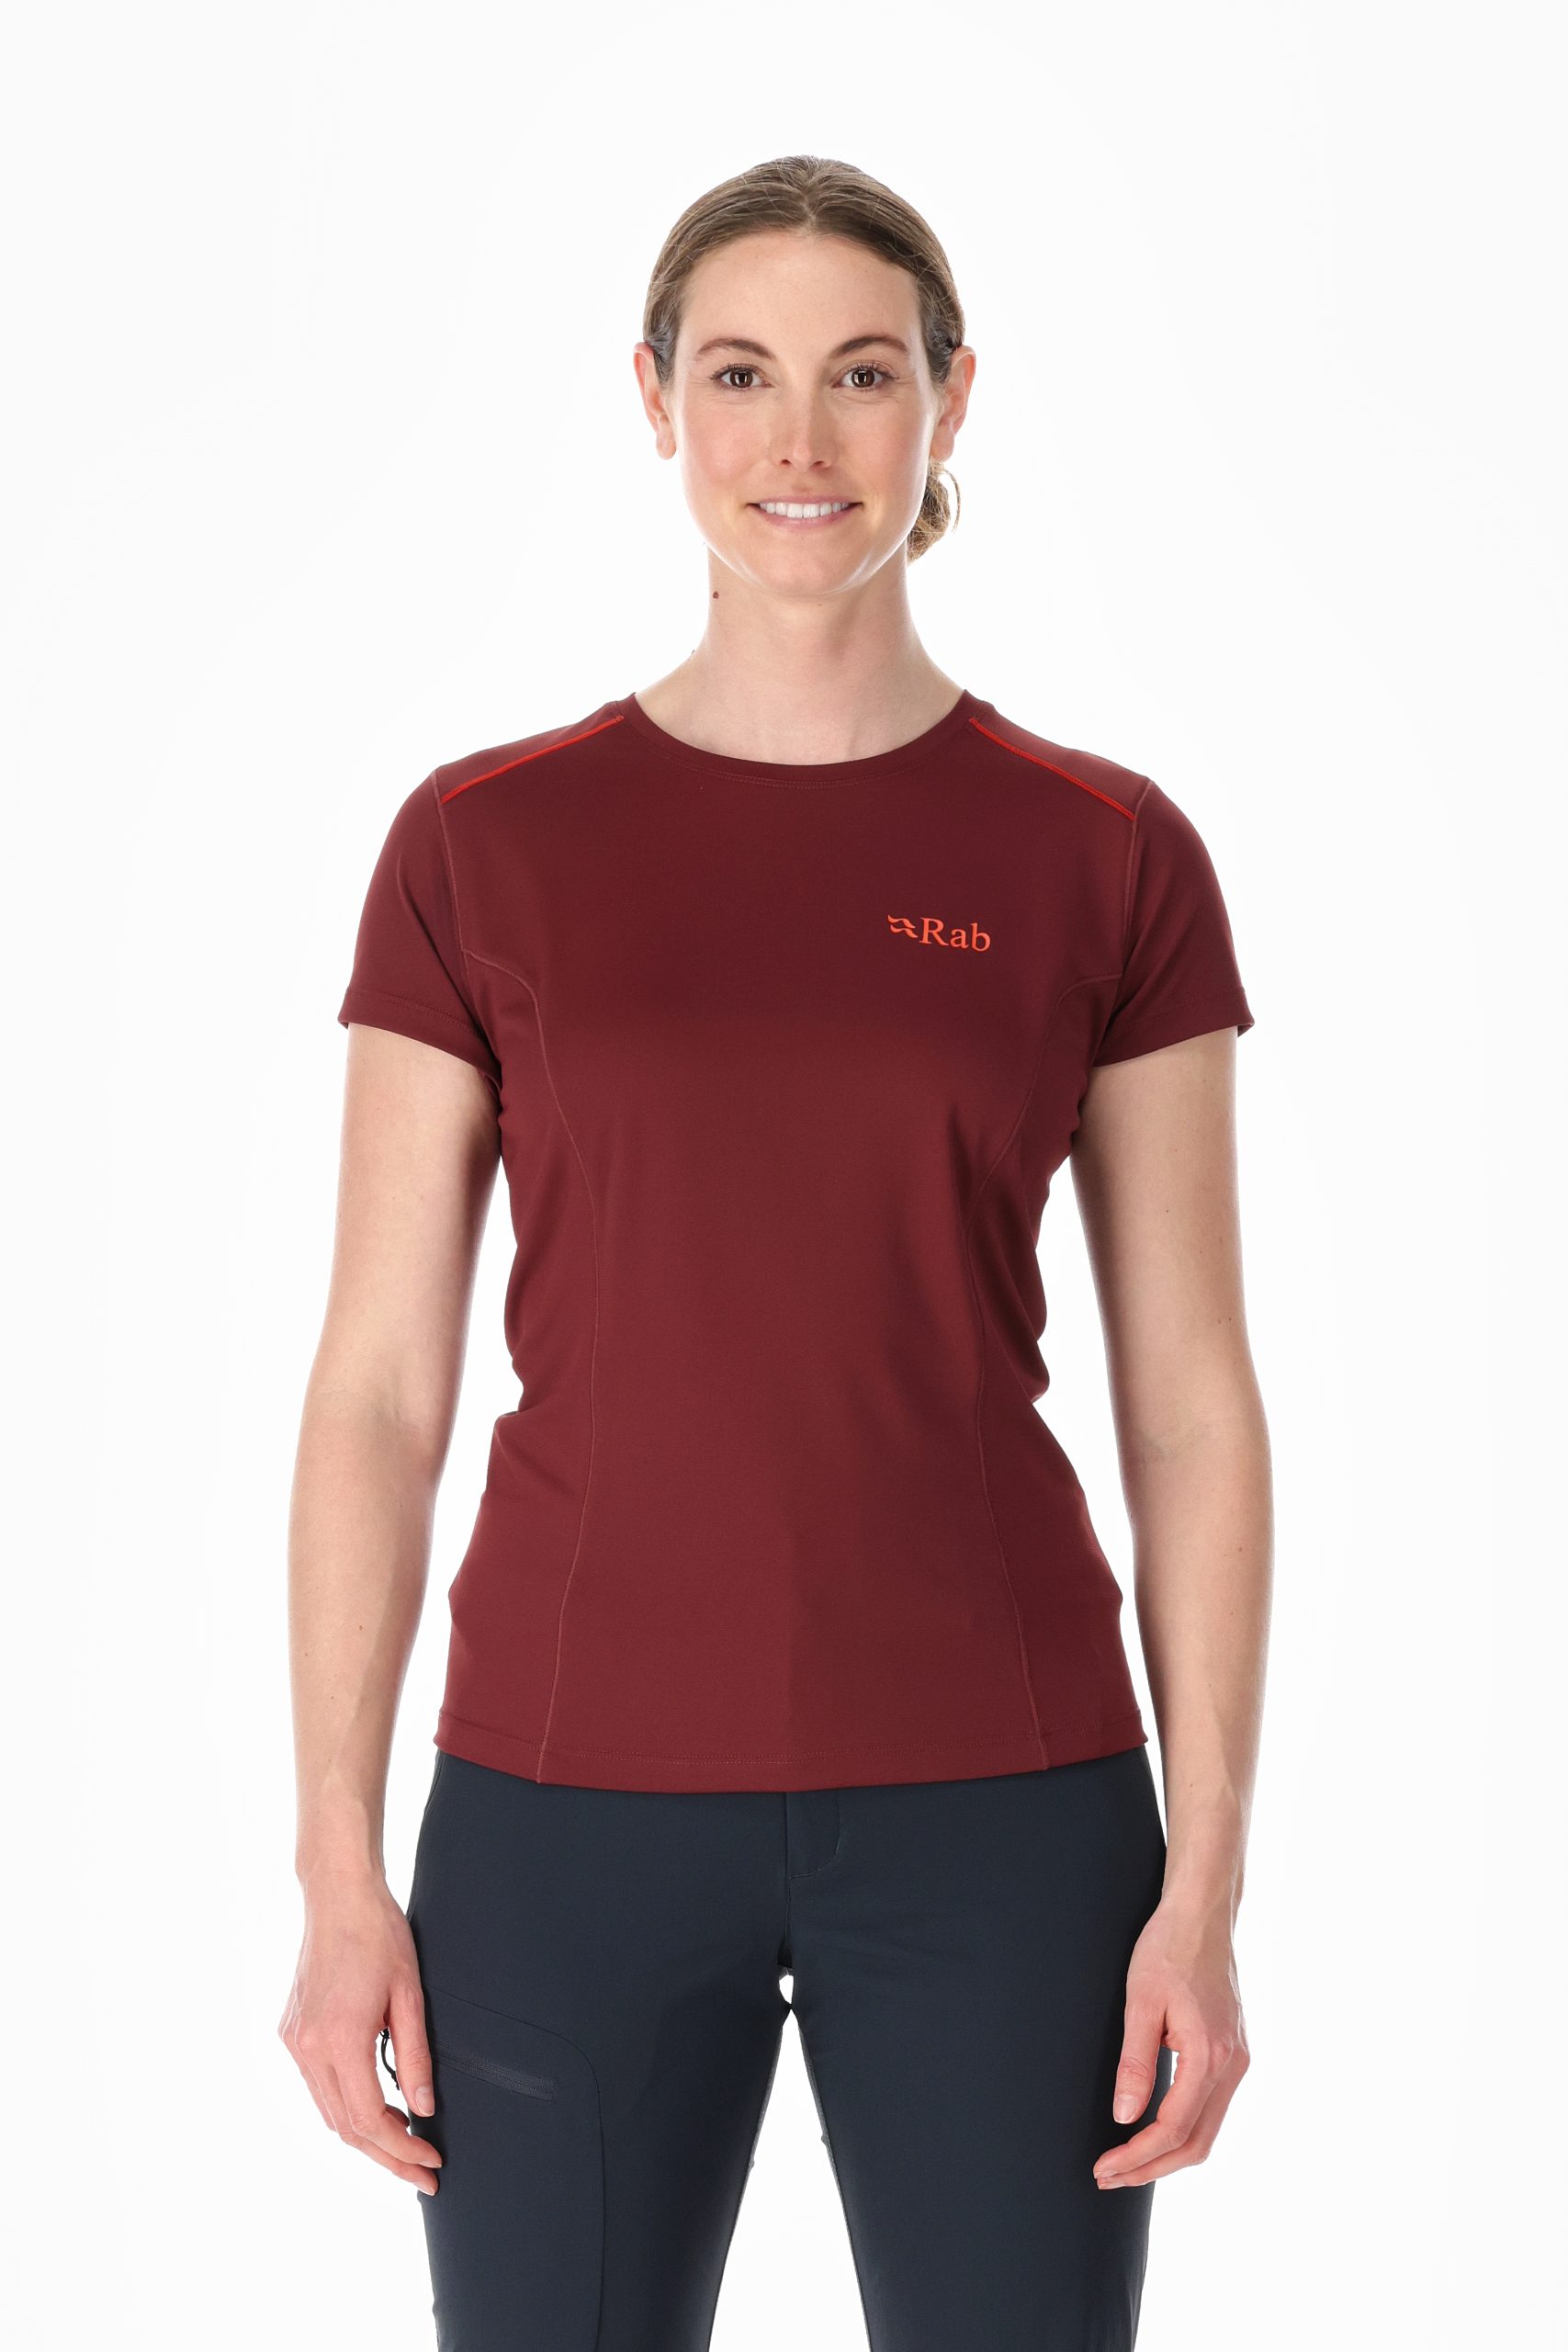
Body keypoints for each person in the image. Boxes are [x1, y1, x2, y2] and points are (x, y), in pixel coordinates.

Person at [280, 153, 1271, 2351]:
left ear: (949, 399)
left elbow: (1190, 1401)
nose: (798, 439)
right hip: (563, 1806)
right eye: (737, 374)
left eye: (861, 373)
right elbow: (377, 1388)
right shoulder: (479, 844)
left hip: (1005, 1806)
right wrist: (337, 1861)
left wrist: (1202, 1880)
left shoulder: (1101, 852)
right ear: (653, 399)